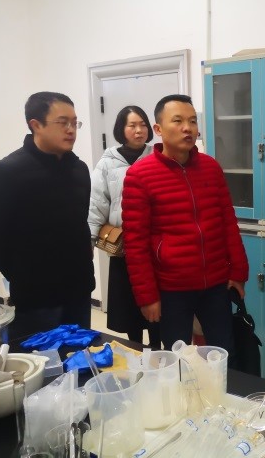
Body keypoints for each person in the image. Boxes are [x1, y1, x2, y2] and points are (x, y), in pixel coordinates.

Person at [121, 94, 249, 354]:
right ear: (158, 129)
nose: (187, 128)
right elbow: (135, 243)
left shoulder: (211, 168)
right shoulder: (140, 175)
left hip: (216, 283)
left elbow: (227, 222)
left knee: (222, 352)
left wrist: (238, 271)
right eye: (178, 121)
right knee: (176, 357)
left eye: (192, 121)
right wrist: (147, 296)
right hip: (172, 287)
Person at [0, 92, 95, 339]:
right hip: (36, 298)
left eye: (74, 122)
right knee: (42, 359)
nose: (71, 130)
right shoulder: (5, 174)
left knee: (79, 355)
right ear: (36, 125)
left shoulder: (79, 170)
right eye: (62, 122)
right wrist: (21, 272)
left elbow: (80, 222)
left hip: (78, 289)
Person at [88, 105, 160, 348]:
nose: (139, 130)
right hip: (124, 245)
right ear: (121, 129)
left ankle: (158, 350)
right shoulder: (107, 163)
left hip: (155, 241)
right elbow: (97, 202)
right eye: (132, 125)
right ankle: (136, 348)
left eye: (143, 125)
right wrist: (89, 239)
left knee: (157, 303)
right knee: (130, 307)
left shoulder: (157, 156)